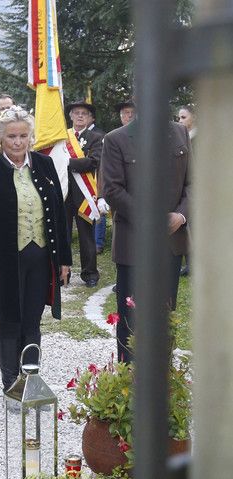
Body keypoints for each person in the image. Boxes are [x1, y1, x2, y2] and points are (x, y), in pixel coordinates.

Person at [0, 108, 72, 391]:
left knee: (33, 320)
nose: (17, 142)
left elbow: (59, 215)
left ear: (30, 137)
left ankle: (30, 378)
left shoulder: (44, 165)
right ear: (0, 138)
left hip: (39, 257)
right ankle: (10, 383)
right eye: (11, 136)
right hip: (3, 261)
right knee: (9, 320)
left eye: (23, 136)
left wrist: (64, 259)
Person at [101, 118, 191, 362]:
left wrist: (181, 216)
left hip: (170, 241)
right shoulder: (116, 139)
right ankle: (129, 376)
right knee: (131, 318)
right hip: (133, 243)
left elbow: (192, 183)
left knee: (165, 315)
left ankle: (163, 373)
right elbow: (112, 189)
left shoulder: (180, 132)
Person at [65, 100, 104, 286]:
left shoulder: (96, 137)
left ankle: (90, 274)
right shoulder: (62, 136)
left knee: (86, 237)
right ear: (70, 116)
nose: (80, 116)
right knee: (63, 235)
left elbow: (93, 161)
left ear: (90, 118)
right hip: (64, 193)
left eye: (84, 113)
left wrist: (67, 163)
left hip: (85, 194)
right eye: (76, 113)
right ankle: (63, 273)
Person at [177, 104, 196, 277]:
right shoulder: (181, 137)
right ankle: (190, 263)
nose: (180, 120)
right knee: (187, 225)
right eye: (178, 118)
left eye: (184, 117)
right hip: (184, 188)